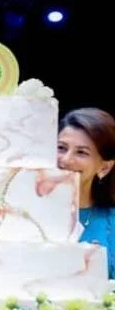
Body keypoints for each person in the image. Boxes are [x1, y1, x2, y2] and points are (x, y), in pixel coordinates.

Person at [57, 107, 115, 278]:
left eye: (81, 152)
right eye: (61, 148)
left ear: (104, 167)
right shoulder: (23, 215)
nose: (66, 160)